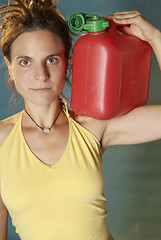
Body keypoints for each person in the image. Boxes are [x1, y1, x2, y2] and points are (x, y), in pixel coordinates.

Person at [0, 0, 161, 240]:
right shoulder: (2, 139)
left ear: (67, 61)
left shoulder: (93, 126)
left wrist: (155, 37)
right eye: (25, 61)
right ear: (10, 67)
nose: (40, 75)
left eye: (51, 59)